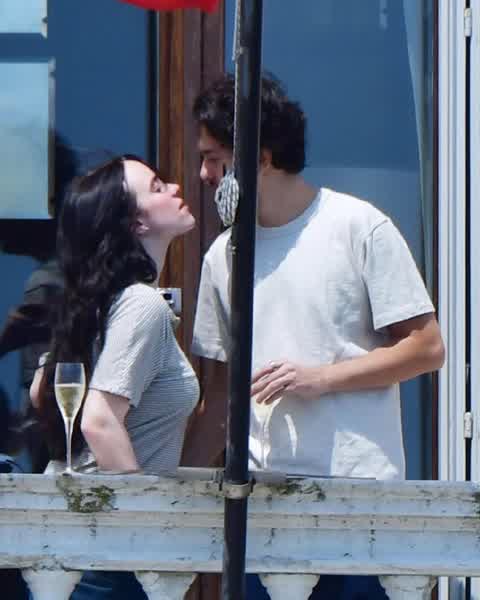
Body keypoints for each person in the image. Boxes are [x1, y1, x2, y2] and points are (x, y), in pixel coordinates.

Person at [189, 74, 445, 598]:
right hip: (264, 508)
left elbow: (427, 347)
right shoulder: (222, 257)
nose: (204, 175)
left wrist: (321, 378)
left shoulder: (358, 226)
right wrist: (174, 490)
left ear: (260, 158)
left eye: (213, 158)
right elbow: (220, 394)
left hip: (359, 501)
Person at [30, 155, 200, 599]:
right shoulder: (142, 304)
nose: (175, 189)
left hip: (77, 542)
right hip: (110, 550)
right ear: (136, 223)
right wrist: (148, 527)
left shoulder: (109, 302)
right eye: (158, 187)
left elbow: (39, 392)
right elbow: (99, 420)